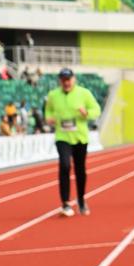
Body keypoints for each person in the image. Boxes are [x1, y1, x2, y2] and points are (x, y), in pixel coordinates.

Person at [44, 67, 101, 216]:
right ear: (60, 81)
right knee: (65, 165)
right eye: (63, 80)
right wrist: (49, 118)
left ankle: (81, 199)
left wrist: (87, 113)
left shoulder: (84, 93)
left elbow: (96, 110)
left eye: (68, 79)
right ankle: (65, 203)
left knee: (80, 169)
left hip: (80, 137)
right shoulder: (53, 95)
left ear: (74, 79)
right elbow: (48, 110)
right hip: (62, 137)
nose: (66, 82)